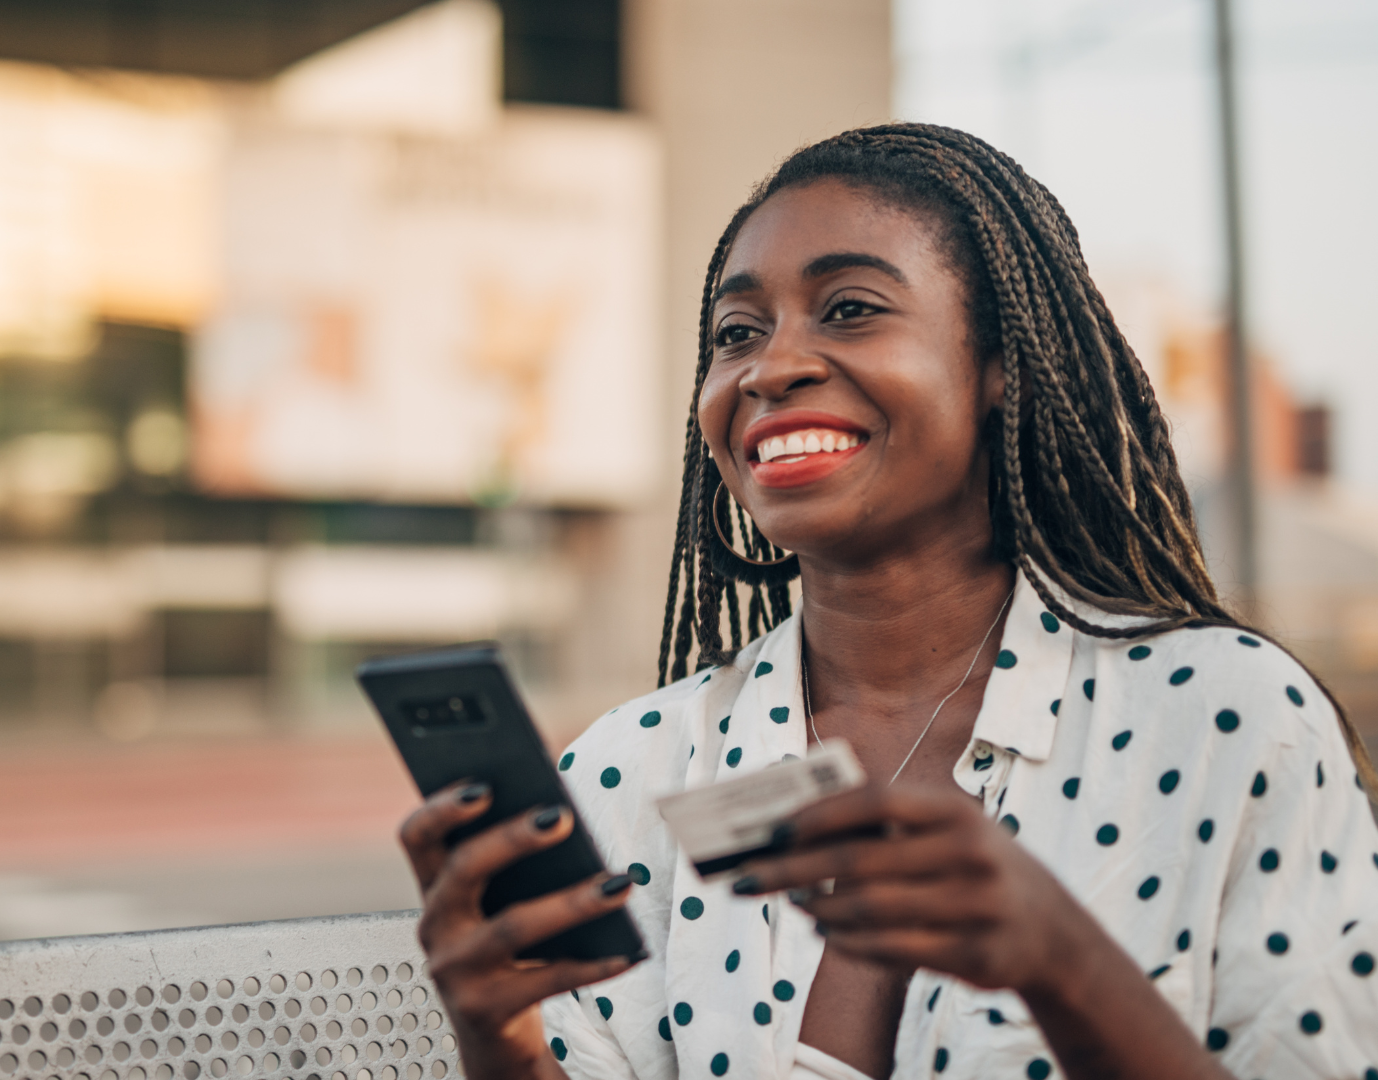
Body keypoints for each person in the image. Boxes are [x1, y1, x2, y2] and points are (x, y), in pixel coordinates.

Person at [397, 124, 1378, 1080]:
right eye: (737, 332)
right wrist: (508, 1046)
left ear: (1002, 364)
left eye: (851, 308)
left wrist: (1063, 963)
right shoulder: (632, 770)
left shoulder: (1224, 718)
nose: (771, 367)